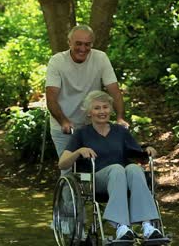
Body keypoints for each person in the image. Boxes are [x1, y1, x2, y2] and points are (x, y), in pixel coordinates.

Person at [59, 90, 163, 241]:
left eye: (105, 107)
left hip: (123, 178)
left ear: (111, 110)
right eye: (97, 108)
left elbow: (139, 155)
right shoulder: (81, 134)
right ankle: (121, 227)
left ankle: (147, 226)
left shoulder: (120, 131)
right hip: (97, 180)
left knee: (134, 168)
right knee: (117, 169)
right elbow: (62, 164)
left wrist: (147, 151)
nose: (102, 111)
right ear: (89, 112)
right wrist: (79, 151)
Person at [45, 24, 129, 165]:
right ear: (69, 42)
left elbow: (114, 90)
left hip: (92, 125)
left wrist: (120, 117)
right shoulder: (57, 61)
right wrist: (63, 121)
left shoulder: (100, 58)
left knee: (97, 167)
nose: (83, 49)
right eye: (78, 44)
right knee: (69, 169)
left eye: (87, 44)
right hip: (64, 125)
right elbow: (51, 98)